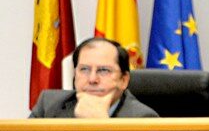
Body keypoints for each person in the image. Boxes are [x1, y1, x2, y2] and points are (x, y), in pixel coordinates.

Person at [29, 37, 159, 118]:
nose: (92, 79)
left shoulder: (142, 118)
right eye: (84, 69)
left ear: (123, 80)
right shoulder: (48, 106)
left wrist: (101, 125)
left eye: (103, 71)